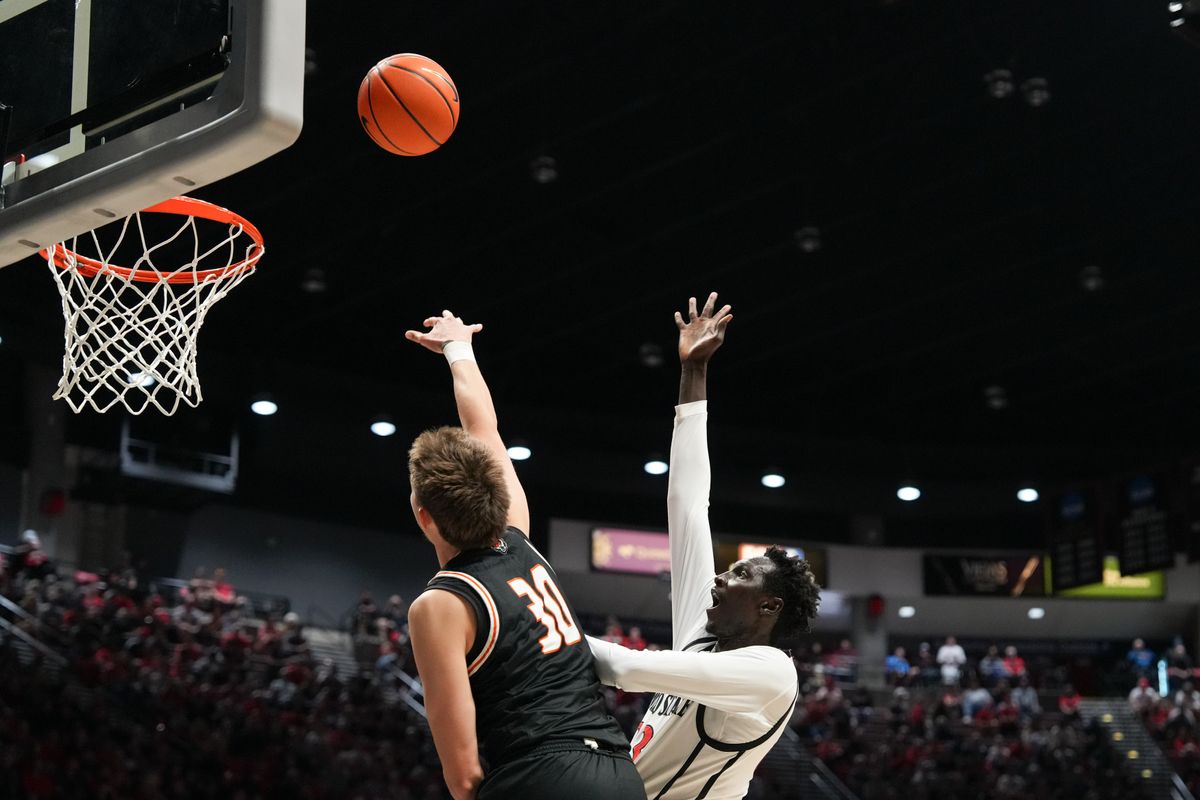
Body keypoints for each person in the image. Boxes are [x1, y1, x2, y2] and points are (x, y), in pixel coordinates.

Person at [587, 293, 822, 800]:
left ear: (769, 605)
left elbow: (627, 669)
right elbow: (688, 504)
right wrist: (694, 373)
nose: (720, 577)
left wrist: (529, 623)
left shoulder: (772, 672)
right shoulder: (705, 631)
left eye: (740, 576)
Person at [403, 310, 644, 800]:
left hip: (542, 776)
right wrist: (457, 348)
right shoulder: (520, 536)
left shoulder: (440, 605)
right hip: (620, 773)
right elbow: (484, 427)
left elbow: (463, 772)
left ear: (424, 516)